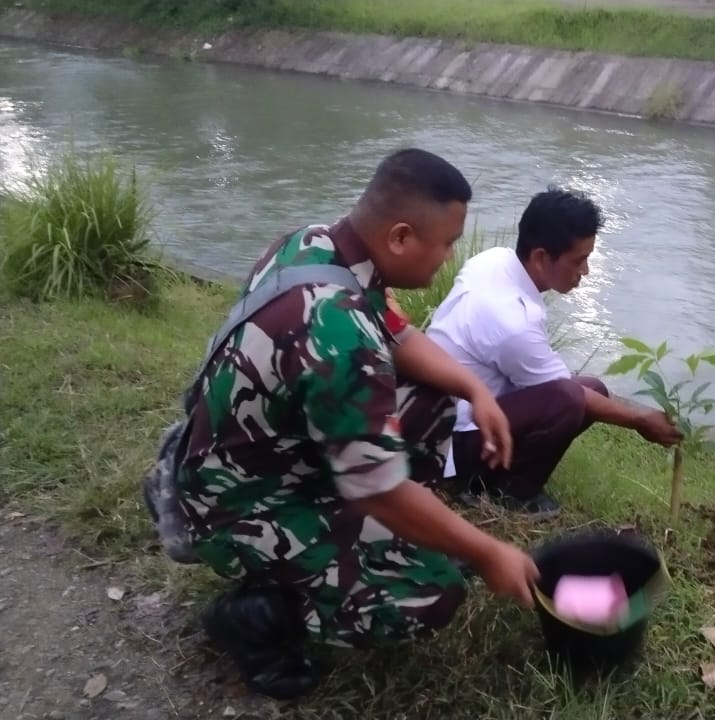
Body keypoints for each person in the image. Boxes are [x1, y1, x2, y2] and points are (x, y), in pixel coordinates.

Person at [176, 148, 539, 700]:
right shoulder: (342, 338)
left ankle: (384, 540)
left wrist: (475, 390)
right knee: (431, 591)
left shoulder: (318, 243)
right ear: (400, 237)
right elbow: (381, 489)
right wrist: (489, 553)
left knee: (433, 400)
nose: (449, 257)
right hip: (234, 501)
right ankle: (258, 617)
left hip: (258, 451)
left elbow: (400, 336)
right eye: (446, 243)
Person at [426, 187, 683, 519]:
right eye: (578, 260)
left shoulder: (494, 260)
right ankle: (509, 493)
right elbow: (564, 392)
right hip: (449, 441)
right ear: (540, 257)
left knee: (592, 389)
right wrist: (638, 420)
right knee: (570, 399)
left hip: (457, 413)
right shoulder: (512, 321)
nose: (585, 271)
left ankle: (502, 474)